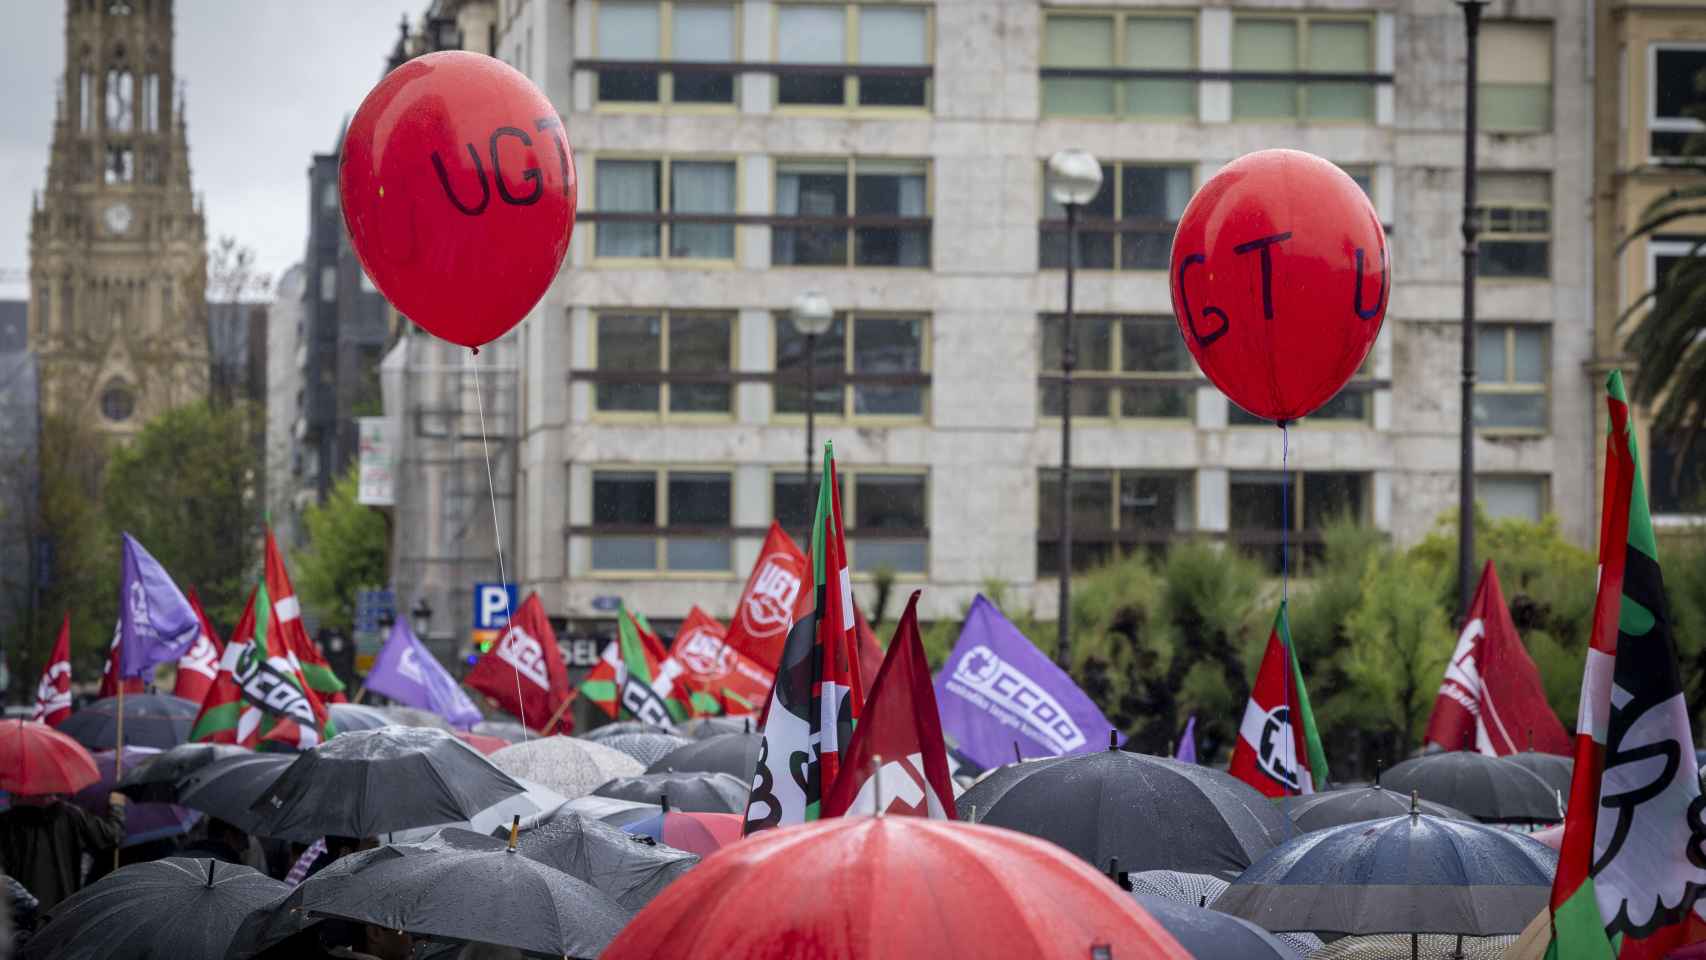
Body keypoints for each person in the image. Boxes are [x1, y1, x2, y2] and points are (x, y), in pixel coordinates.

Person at [0, 793, 126, 910]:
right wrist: (117, 807)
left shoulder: (5, 822)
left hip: (21, 916)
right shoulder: (71, 815)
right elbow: (112, 837)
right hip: (63, 912)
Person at [176, 817, 248, 865]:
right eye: (244, 836)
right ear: (228, 835)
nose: (246, 846)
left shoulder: (181, 858)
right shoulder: (232, 868)